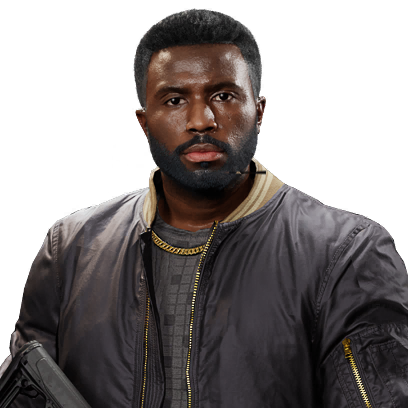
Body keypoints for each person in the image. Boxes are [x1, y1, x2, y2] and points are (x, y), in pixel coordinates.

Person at [1, 8, 407, 408]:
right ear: (144, 123)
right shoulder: (70, 248)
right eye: (175, 99)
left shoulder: (347, 254)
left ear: (259, 112)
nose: (201, 120)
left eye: (223, 96)